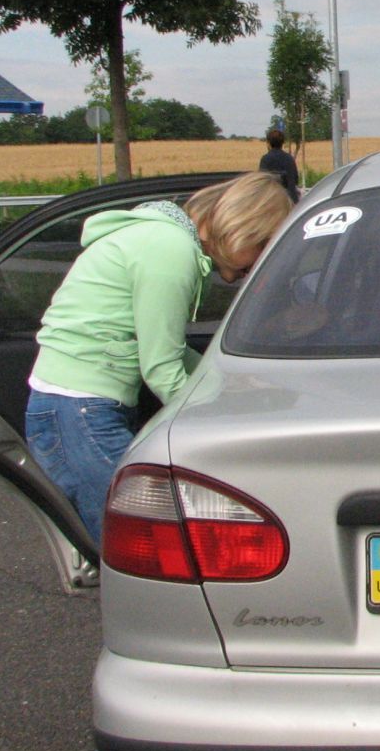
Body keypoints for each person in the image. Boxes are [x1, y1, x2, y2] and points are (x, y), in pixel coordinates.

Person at [25, 172, 292, 542]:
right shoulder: (171, 251)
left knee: (135, 541)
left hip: (74, 407)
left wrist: (227, 382)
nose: (259, 264)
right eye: (264, 246)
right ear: (243, 228)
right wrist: (222, 418)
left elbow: (169, 349)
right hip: (80, 411)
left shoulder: (164, 240)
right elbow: (162, 369)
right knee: (141, 543)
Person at [259, 126, 301, 203]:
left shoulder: (266, 159)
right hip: (290, 200)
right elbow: (295, 180)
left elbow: (263, 181)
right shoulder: (289, 158)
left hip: (272, 200)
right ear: (282, 143)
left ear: (268, 143)